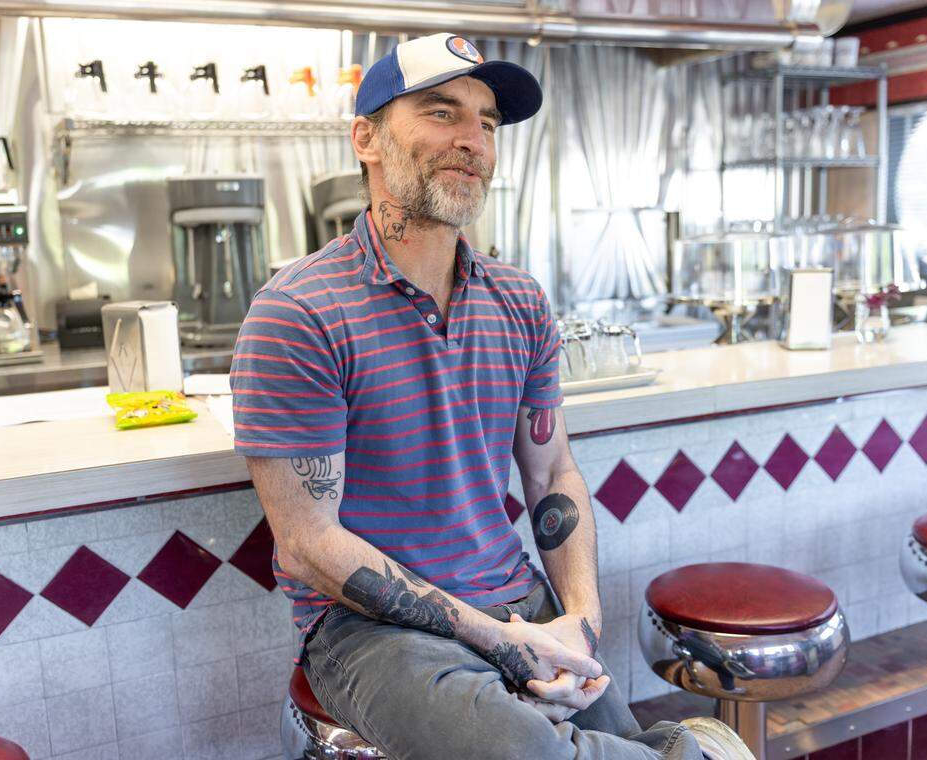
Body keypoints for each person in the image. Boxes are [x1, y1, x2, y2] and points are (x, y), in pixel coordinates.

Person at [231, 32, 753, 760]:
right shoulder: (298, 313)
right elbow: (308, 544)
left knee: (610, 742)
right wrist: (499, 641)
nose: (472, 140)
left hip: (519, 599)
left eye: (487, 122)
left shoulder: (519, 301)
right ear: (366, 139)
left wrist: (578, 622)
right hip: (374, 632)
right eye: (442, 113)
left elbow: (552, 472)